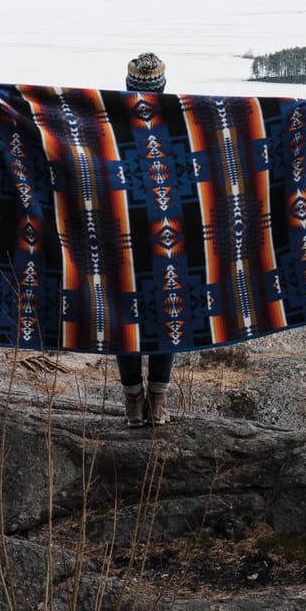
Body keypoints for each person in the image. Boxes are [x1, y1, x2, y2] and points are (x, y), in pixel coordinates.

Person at [119, 51, 175, 427]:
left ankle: (133, 406)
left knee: (126, 316)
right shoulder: (179, 121)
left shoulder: (108, 120)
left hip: (122, 229)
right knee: (168, 313)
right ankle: (156, 403)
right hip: (167, 233)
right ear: (164, 87)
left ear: (127, 86)